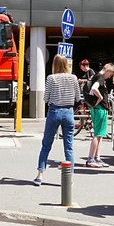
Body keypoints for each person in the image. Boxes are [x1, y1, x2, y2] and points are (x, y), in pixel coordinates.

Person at [35, 55, 81, 186]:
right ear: (66, 64)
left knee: (46, 145)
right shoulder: (73, 78)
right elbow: (78, 97)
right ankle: (69, 178)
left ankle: (40, 175)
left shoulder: (51, 78)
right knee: (69, 147)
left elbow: (45, 98)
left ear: (54, 64)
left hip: (54, 111)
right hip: (68, 112)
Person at [85, 64, 114, 168]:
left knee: (100, 134)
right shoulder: (101, 77)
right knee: (97, 134)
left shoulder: (95, 76)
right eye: (110, 74)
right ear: (108, 71)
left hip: (96, 108)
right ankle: (91, 158)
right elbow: (94, 88)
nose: (110, 77)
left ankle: (97, 157)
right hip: (100, 109)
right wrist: (101, 97)